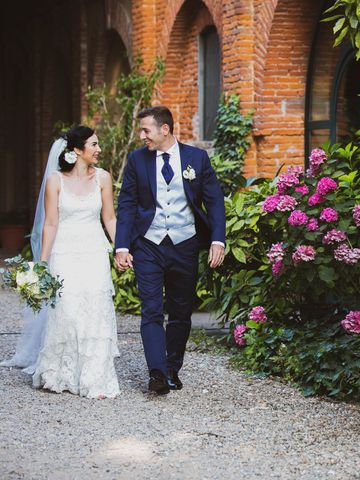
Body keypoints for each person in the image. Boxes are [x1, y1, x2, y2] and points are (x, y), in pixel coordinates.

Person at [1, 126, 120, 399]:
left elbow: (110, 219)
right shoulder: (55, 181)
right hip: (64, 252)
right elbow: (51, 223)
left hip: (93, 250)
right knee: (65, 310)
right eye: (94, 144)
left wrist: (121, 248)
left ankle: (94, 378)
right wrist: (41, 264)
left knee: (95, 308)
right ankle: (60, 374)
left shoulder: (103, 178)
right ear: (77, 150)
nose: (99, 149)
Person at [114, 106, 225, 395]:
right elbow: (126, 204)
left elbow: (214, 202)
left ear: (165, 129)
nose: (142, 136)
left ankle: (172, 367)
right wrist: (122, 245)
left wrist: (218, 240)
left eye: (146, 130)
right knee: (151, 310)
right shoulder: (137, 160)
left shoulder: (196, 159)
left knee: (180, 312)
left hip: (184, 243)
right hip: (148, 244)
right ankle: (157, 374)